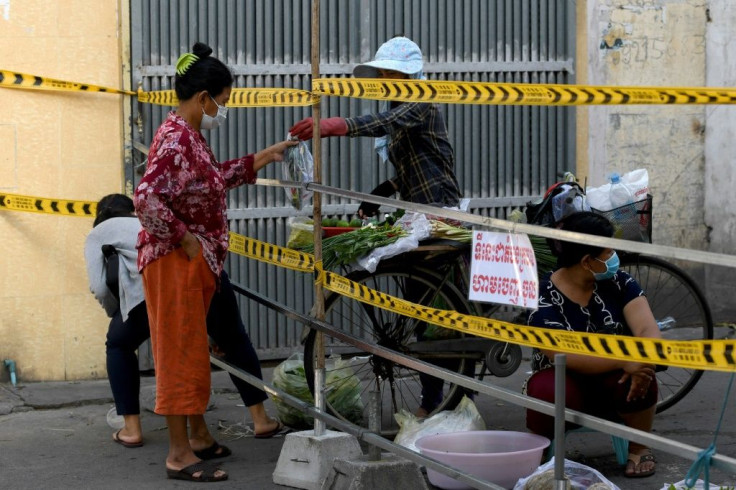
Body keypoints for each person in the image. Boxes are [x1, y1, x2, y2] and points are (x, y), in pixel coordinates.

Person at [133, 42, 297, 483]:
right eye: (221, 102)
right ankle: (179, 455)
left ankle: (200, 438)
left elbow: (208, 182)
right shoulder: (175, 138)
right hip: (175, 262)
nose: (222, 110)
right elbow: (146, 199)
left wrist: (261, 158)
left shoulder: (189, 136)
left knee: (193, 350)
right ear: (203, 97)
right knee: (179, 354)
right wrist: (185, 239)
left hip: (191, 262)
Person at [289, 35, 463, 418]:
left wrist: (339, 124)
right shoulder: (401, 103)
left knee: (431, 308)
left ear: (407, 74)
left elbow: (386, 123)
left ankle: (444, 396)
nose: (385, 79)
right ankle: (438, 395)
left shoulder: (421, 100)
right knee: (419, 303)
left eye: (390, 73)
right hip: (416, 209)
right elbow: (418, 164)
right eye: (382, 73)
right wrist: (383, 190)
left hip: (438, 212)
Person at [83, 194, 284, 452]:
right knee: (233, 340)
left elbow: (99, 287)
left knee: (119, 344)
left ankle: (132, 429)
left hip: (156, 289)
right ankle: (261, 419)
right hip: (206, 272)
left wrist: (118, 312)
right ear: (132, 209)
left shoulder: (98, 233)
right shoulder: (150, 219)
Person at [525, 211, 660, 478]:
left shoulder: (619, 283)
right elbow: (561, 353)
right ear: (587, 261)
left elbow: (647, 328)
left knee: (645, 372)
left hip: (614, 379)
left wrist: (642, 359)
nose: (614, 258)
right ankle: (537, 447)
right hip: (566, 380)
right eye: (608, 252)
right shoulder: (543, 295)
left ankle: (638, 446)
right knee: (546, 389)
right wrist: (625, 360)